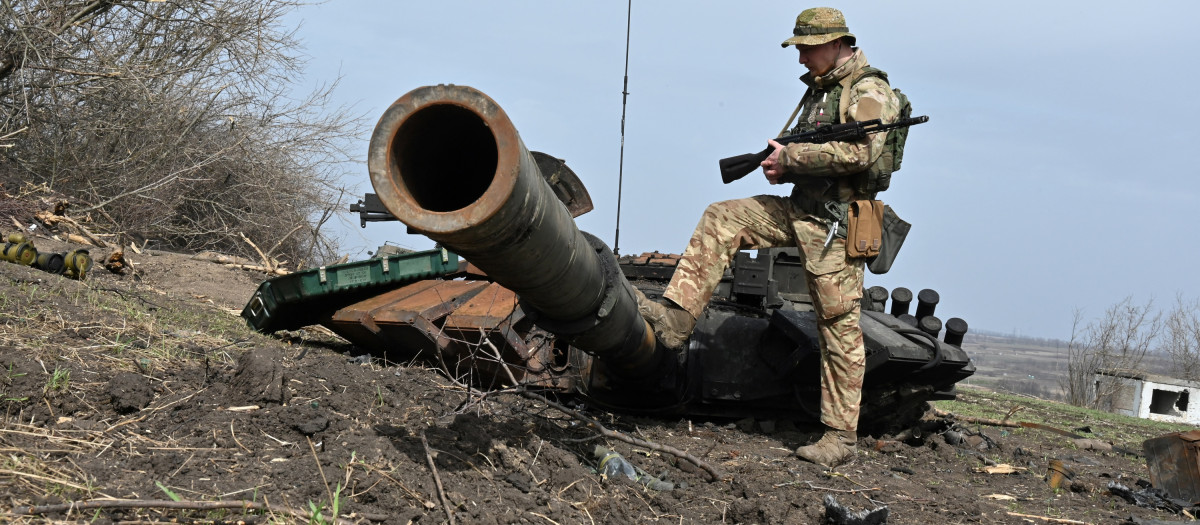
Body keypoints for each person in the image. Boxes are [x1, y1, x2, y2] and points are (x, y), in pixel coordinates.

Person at [635, 7, 902, 467]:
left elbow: (862, 150)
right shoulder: (821, 91)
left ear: (836, 43)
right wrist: (782, 165)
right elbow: (811, 153)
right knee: (723, 216)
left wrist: (794, 159)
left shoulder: (868, 89)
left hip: (836, 225)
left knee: (837, 327)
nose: (800, 58)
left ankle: (840, 437)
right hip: (799, 210)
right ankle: (676, 322)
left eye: (805, 48)